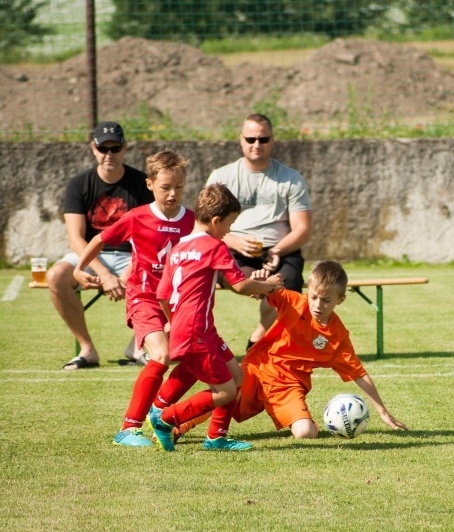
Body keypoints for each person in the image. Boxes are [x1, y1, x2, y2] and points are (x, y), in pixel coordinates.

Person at [174, 260, 406, 442]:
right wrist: (259, 282)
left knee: (305, 432)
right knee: (225, 394)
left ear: (340, 300)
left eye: (326, 300)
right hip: (258, 369)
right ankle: (176, 423)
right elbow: (264, 290)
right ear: (308, 291)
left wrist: (383, 411)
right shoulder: (294, 302)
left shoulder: (338, 337)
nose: (317, 305)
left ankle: (315, 422)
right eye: (314, 297)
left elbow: (359, 374)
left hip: (288, 387)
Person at [148, 183, 284, 452]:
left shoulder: (178, 248)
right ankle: (165, 419)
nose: (230, 231)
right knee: (225, 391)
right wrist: (270, 286)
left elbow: (162, 294)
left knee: (236, 377)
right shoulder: (214, 246)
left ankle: (217, 438)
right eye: (230, 224)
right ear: (215, 221)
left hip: (196, 329)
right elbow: (240, 286)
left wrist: (173, 321)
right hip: (197, 331)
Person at [73, 150, 195, 447]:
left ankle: (159, 411)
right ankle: (128, 429)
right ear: (150, 184)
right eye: (166, 187)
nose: (173, 193)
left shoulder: (191, 220)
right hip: (144, 298)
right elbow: (100, 239)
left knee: (196, 360)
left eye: (178, 187)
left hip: (177, 303)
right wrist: (79, 269)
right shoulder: (137, 217)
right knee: (161, 355)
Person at [48, 121, 154, 370]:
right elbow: (76, 238)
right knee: (56, 276)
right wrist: (105, 274)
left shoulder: (141, 183)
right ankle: (87, 349)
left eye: (115, 148)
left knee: (170, 275)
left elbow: (148, 237)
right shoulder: (79, 184)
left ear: (124, 148)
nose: (109, 155)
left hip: (134, 256)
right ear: (93, 149)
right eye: (103, 148)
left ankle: (138, 346)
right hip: (93, 254)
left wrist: (128, 273)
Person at [206, 113, 312, 353]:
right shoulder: (221, 177)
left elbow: (303, 229)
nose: (257, 144)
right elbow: (205, 225)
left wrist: (277, 250)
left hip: (281, 249)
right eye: (251, 138)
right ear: (241, 140)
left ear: (272, 140)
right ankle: (201, 344)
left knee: (284, 287)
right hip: (233, 249)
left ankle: (258, 338)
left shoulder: (291, 179)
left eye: (263, 139)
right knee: (247, 282)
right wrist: (234, 240)